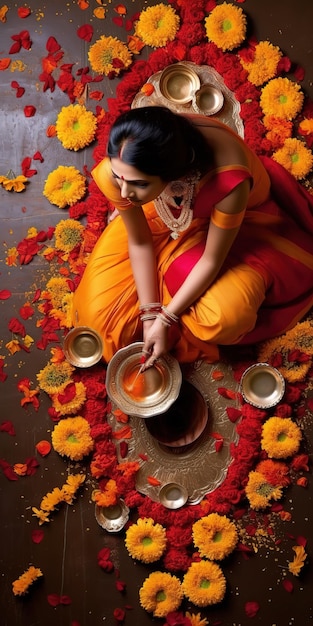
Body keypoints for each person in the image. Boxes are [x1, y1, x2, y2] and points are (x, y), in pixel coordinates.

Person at [72, 106, 313, 368]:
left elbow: (210, 260)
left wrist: (166, 319)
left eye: (138, 183)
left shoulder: (228, 182)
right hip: (162, 208)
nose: (126, 193)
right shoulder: (124, 168)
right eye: (120, 179)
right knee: (97, 325)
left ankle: (172, 275)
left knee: (223, 318)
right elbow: (140, 241)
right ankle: (169, 274)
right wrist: (150, 315)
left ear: (174, 172)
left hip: (242, 227)